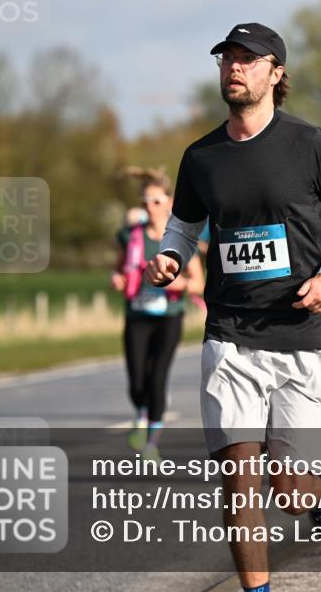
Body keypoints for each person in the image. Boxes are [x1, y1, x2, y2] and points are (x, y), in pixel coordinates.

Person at [145, 23, 321, 591]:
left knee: (290, 491)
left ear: (277, 74)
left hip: (303, 331)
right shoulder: (201, 157)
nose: (234, 67)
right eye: (227, 57)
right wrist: (170, 257)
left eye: (249, 59)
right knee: (239, 480)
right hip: (230, 333)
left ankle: (318, 492)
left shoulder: (310, 145)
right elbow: (184, 224)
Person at [111, 167, 204, 462]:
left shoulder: (179, 238)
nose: (148, 207)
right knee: (137, 381)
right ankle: (141, 410)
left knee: (158, 378)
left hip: (169, 316)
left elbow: (199, 282)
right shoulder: (130, 236)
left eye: (154, 201)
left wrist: (181, 282)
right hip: (137, 314)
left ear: (168, 202)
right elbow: (117, 267)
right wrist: (117, 278)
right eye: (144, 202)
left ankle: (151, 442)